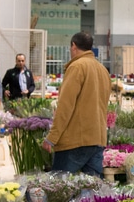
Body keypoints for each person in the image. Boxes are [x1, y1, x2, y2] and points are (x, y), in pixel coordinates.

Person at [41, 32, 111, 177]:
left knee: (60, 189)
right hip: (97, 139)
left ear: (73, 46)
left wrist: (52, 138)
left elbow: (65, 107)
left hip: (75, 141)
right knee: (91, 192)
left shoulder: (77, 67)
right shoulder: (103, 70)